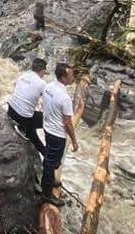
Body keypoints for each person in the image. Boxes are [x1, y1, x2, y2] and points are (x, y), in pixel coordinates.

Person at [40, 62, 80, 206]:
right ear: (63, 78)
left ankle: (47, 183)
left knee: (51, 160)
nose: (73, 77)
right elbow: (68, 123)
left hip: (47, 128)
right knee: (52, 164)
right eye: (71, 75)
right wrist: (74, 141)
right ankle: (46, 194)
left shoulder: (48, 87)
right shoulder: (65, 98)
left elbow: (44, 104)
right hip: (57, 135)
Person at [7, 57, 49, 154]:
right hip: (23, 118)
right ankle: (47, 155)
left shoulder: (23, 76)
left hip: (10, 110)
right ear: (43, 71)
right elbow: (48, 102)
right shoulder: (42, 84)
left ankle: (22, 127)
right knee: (47, 120)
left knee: (32, 115)